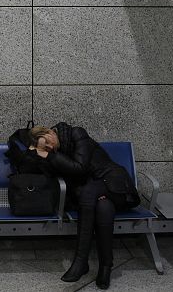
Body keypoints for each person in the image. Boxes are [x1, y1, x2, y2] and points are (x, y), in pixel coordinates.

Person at [31, 123, 140, 290]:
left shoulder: (77, 133)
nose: (50, 147)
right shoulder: (58, 153)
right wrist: (36, 154)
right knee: (103, 208)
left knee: (88, 193)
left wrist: (48, 156)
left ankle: (81, 261)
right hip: (98, 193)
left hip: (115, 183)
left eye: (47, 141)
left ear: (49, 131)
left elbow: (80, 167)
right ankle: (105, 266)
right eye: (45, 148)